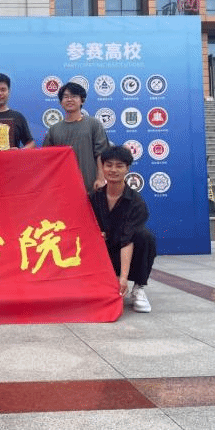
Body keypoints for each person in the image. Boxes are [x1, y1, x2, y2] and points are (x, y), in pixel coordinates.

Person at [89, 145, 157, 313]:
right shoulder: (93, 198)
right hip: (101, 254)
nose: (113, 170)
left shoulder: (136, 202)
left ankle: (138, 288)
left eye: (119, 166)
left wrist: (123, 278)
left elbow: (127, 240)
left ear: (127, 169)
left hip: (125, 253)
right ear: (102, 167)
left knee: (145, 236)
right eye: (109, 165)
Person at [42, 81, 110, 194]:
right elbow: (47, 157)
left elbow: (101, 154)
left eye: (74, 96)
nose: (69, 100)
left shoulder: (93, 124)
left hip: (91, 186)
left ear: (82, 100)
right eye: (65, 97)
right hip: (62, 187)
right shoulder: (54, 129)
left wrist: (101, 178)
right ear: (61, 102)